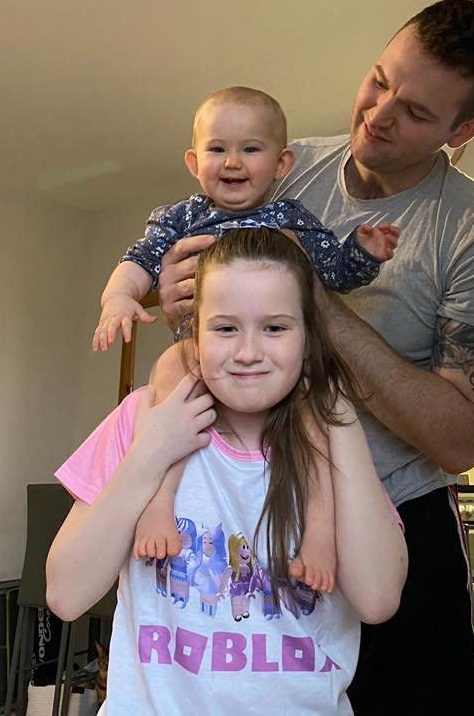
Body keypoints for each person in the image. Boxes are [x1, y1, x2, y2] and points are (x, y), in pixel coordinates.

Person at [153, 0, 474, 716]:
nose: (379, 114)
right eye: (378, 80)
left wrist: (318, 300)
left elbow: (459, 439)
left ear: (465, 129)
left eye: (417, 112)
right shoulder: (281, 168)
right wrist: (177, 290)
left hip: (395, 519)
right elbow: (198, 307)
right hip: (259, 511)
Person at [47, 228, 408, 716]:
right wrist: (151, 453)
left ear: (309, 338)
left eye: (276, 328)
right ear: (194, 336)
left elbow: (378, 599)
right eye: (225, 328)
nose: (247, 352)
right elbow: (66, 595)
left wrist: (337, 416)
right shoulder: (141, 419)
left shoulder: (333, 443)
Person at [91, 86, 400, 595]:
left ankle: (320, 534)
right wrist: (118, 300)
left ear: (281, 164)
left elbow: (334, 275)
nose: (232, 162)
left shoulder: (292, 220)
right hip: (203, 354)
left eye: (250, 149)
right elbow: (139, 262)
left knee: (320, 423)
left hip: (281, 363)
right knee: (167, 372)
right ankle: (157, 503)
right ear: (194, 161)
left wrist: (363, 253)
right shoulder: (182, 218)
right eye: (217, 149)